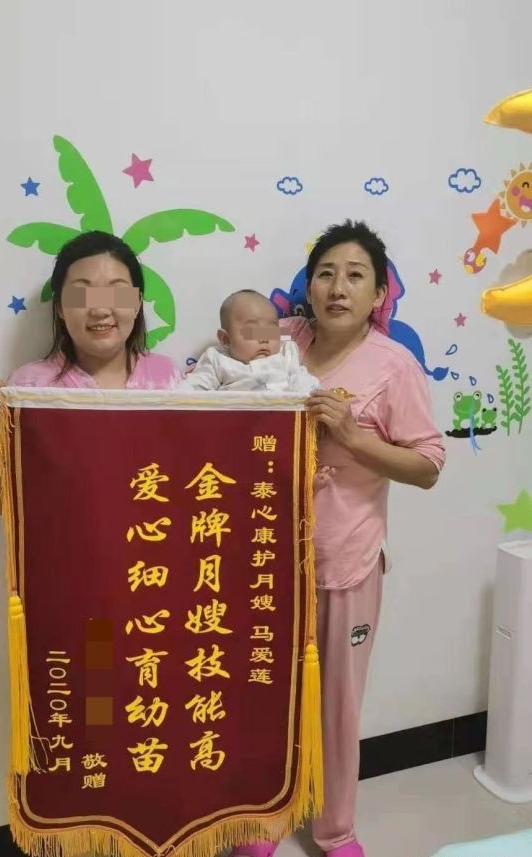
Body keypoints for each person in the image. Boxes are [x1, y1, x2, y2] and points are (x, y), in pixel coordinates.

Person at [230, 221, 446, 857]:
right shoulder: (280, 341)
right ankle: (263, 820)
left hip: (345, 562)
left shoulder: (394, 366)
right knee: (263, 695)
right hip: (265, 560)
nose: (337, 287)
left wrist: (352, 437)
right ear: (309, 286)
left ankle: (335, 828)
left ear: (378, 294)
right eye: (325, 273)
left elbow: (428, 466)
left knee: (337, 706)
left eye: (355, 276)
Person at [0, 231, 180, 515]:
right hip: (64, 542)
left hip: (151, 539)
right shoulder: (31, 386)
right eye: (82, 295)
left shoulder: (167, 376)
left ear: (137, 303)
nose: (100, 309)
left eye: (117, 292)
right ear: (60, 307)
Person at [180, 289, 319, 393]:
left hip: (278, 419)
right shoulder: (218, 360)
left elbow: (305, 384)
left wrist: (315, 395)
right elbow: (192, 389)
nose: (264, 338)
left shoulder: (285, 355)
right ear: (226, 339)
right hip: (233, 418)